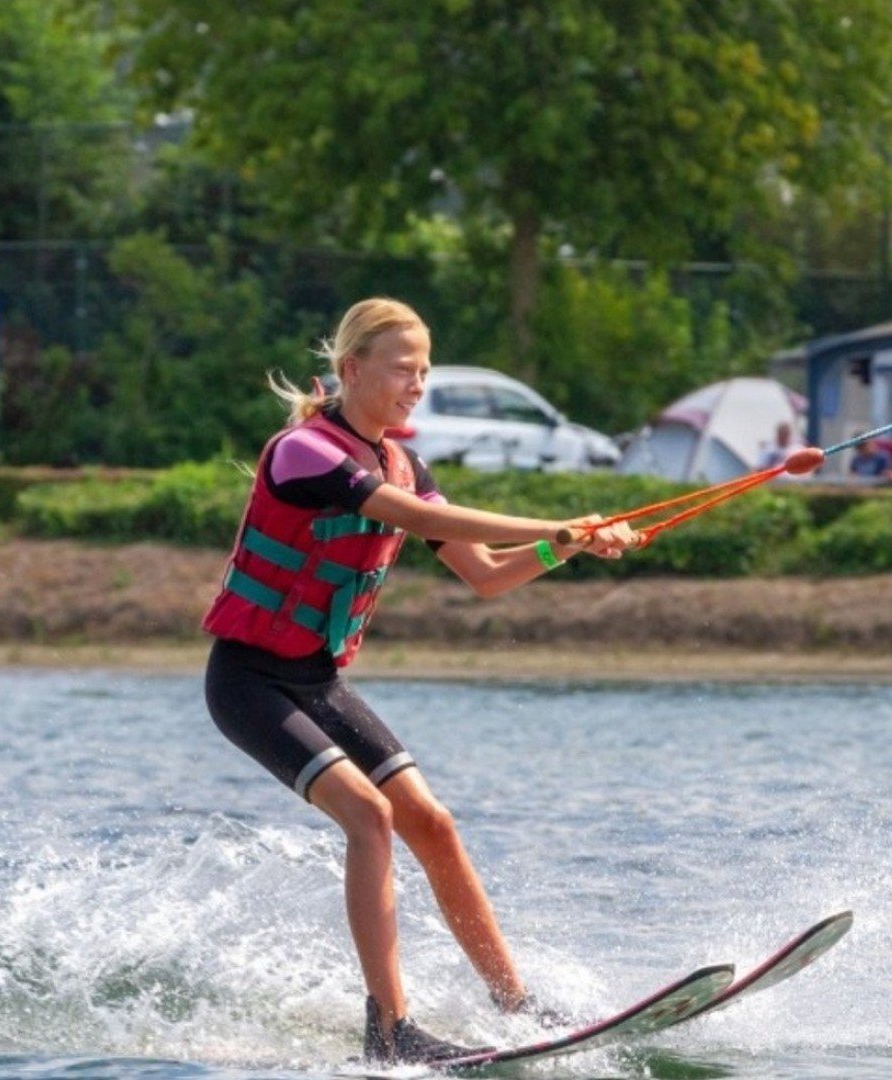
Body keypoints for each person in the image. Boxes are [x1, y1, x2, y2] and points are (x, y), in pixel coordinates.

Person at [201, 297, 637, 1066]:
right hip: (248, 683)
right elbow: (402, 512)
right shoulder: (304, 452)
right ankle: (390, 1029)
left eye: (424, 371)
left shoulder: (405, 460)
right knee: (369, 817)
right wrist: (558, 526)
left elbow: (487, 577)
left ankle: (514, 1004)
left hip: (317, 681)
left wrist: (567, 550)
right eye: (403, 369)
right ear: (351, 370)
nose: (416, 384)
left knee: (430, 825)